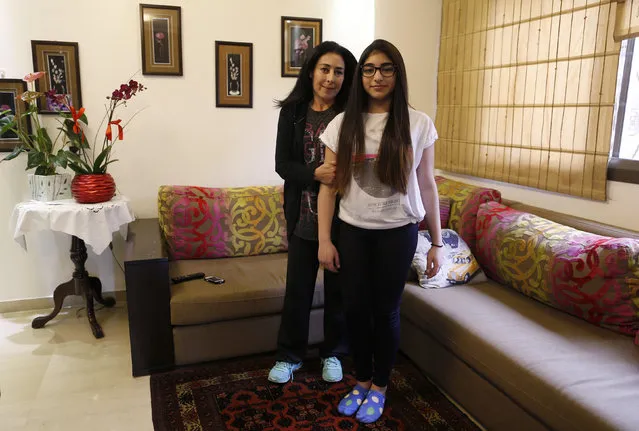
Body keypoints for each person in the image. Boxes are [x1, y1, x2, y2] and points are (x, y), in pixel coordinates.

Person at [317, 39, 444, 424]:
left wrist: (437, 242)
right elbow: (328, 185)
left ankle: (381, 386)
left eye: (386, 68)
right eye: (369, 69)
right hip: (353, 231)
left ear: (397, 74)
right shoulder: (343, 123)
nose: (377, 76)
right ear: (361, 76)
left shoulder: (418, 124)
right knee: (355, 310)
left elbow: (426, 184)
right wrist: (325, 239)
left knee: (385, 312)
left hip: (398, 232)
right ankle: (362, 379)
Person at [271, 41, 358, 384]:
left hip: (344, 220)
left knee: (338, 294)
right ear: (311, 72)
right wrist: (314, 173)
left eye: (339, 71)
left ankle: (334, 354)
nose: (331, 78)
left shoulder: (352, 115)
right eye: (325, 69)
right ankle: (289, 356)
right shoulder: (292, 112)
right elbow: (281, 165)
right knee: (298, 292)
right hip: (302, 219)